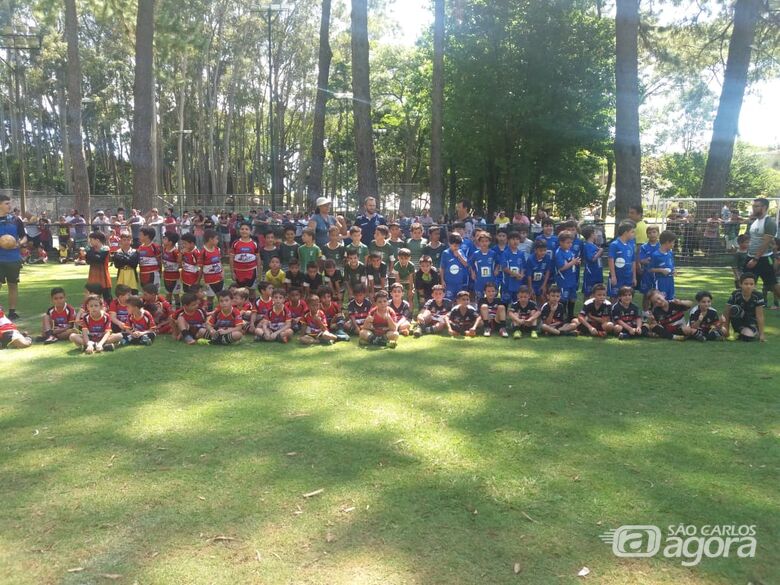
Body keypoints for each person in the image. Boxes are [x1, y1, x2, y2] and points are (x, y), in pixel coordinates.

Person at [744, 198, 780, 308]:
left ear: (764, 207)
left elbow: (765, 244)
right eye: (753, 206)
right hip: (751, 256)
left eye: (756, 206)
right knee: (744, 281)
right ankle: (746, 305)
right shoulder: (756, 220)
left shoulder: (769, 222)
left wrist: (755, 259)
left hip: (763, 259)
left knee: (772, 285)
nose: (753, 208)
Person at [0, 195, 28, 320]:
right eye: (7, 203)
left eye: (9, 203)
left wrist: (18, 244)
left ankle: (12, 312)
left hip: (13, 259)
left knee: (13, 285)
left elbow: (24, 237)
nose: (9, 206)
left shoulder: (16, 220)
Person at [723, 273, 766, 342]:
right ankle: (740, 330)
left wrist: (762, 334)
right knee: (734, 308)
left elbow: (760, 316)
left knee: (747, 337)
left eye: (751, 284)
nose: (748, 286)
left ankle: (751, 332)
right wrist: (726, 330)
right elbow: (726, 313)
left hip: (751, 321)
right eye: (746, 284)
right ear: (740, 284)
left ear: (755, 285)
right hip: (738, 321)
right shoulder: (735, 294)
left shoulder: (758, 296)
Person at [554, 232, 581, 321]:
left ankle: (570, 315)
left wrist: (576, 262)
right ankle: (561, 317)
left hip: (572, 279)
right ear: (561, 242)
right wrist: (572, 262)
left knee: (572, 297)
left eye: (571, 242)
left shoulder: (570, 252)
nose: (570, 244)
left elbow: (571, 263)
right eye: (567, 242)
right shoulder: (559, 253)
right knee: (563, 298)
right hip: (564, 280)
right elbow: (562, 268)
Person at [608, 222, 637, 299]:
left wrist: (634, 277)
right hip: (618, 275)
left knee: (627, 297)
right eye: (632, 232)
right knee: (615, 297)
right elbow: (611, 260)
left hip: (628, 276)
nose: (634, 234)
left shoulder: (631, 245)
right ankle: (613, 311)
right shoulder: (614, 244)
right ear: (625, 233)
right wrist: (613, 276)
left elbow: (633, 261)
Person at [469, 232, 499, 300]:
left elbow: (498, 262)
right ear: (479, 242)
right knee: (479, 299)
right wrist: (472, 272)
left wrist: (496, 269)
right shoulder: (475, 254)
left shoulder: (493, 253)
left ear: (489, 242)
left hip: (490, 280)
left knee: (491, 298)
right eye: (482, 241)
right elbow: (470, 263)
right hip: (479, 280)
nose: (484, 243)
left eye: (486, 241)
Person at [649, 230, 677, 303]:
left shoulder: (670, 253)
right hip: (660, 281)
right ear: (667, 242)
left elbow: (672, 265)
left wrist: (674, 270)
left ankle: (669, 314)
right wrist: (661, 270)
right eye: (673, 242)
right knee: (660, 300)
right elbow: (650, 269)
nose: (673, 244)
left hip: (670, 280)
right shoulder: (656, 255)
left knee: (671, 300)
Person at [230, 222, 260, 289]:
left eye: (246, 229)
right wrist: (232, 272)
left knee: (252, 291)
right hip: (239, 271)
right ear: (239, 230)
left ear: (250, 231)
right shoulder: (235, 243)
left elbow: (258, 258)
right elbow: (231, 258)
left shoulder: (254, 243)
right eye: (242, 229)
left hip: (251, 271)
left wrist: (258, 272)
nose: (244, 231)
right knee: (241, 291)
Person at [440, 233, 470, 300]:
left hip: (459, 282)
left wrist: (459, 255)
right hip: (449, 283)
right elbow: (442, 268)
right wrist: (442, 280)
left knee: (459, 300)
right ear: (449, 244)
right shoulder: (445, 253)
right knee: (449, 300)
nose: (456, 247)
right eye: (454, 245)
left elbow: (466, 264)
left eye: (458, 245)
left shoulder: (461, 252)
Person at [637, 226, 660, 309]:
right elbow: (641, 260)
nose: (652, 234)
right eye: (649, 233)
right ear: (647, 235)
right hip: (647, 274)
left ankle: (655, 313)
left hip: (658, 274)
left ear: (658, 233)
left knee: (657, 294)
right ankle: (645, 313)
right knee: (646, 294)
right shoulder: (644, 247)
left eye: (654, 232)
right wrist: (646, 260)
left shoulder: (661, 246)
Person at [86, 232, 113, 302]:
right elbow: (88, 260)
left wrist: (91, 254)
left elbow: (99, 259)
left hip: (104, 278)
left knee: (107, 299)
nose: (90, 242)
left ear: (97, 240)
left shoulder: (105, 249)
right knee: (92, 300)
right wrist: (94, 255)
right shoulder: (90, 249)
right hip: (93, 278)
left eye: (91, 240)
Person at [201, 229, 224, 307]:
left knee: (221, 297)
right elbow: (201, 268)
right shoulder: (203, 252)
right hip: (209, 281)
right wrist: (200, 280)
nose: (218, 240)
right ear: (211, 239)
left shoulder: (217, 249)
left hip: (219, 279)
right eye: (216, 238)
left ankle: (221, 313)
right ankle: (209, 314)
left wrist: (222, 271)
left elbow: (219, 262)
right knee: (210, 298)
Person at [581, 225, 603, 299]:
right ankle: (586, 309)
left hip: (597, 272)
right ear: (591, 234)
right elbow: (592, 259)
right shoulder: (587, 246)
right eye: (595, 233)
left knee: (598, 291)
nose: (596, 235)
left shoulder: (593, 245)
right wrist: (600, 251)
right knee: (588, 293)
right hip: (591, 274)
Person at [526, 240, 551, 304]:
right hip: (532, 282)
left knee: (543, 297)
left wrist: (544, 285)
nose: (543, 252)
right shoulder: (530, 259)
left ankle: (542, 311)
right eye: (541, 251)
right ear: (535, 250)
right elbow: (529, 275)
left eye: (545, 250)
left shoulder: (547, 257)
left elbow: (547, 271)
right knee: (532, 298)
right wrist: (530, 287)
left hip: (541, 281)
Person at [161, 232, 181, 305]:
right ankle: (168, 311)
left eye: (165, 239)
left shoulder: (175, 252)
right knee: (168, 294)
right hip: (166, 276)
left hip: (175, 277)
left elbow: (180, 263)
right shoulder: (164, 249)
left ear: (170, 242)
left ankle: (177, 309)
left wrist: (174, 267)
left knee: (176, 295)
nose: (163, 240)